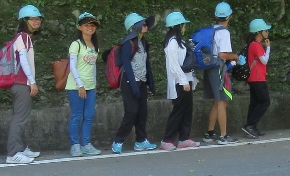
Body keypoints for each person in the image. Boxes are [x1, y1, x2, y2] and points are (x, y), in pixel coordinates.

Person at [112, 13, 157, 153]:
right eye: (143, 24)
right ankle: (118, 141)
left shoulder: (143, 42)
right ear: (134, 27)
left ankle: (141, 140)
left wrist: (151, 83)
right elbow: (126, 65)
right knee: (131, 112)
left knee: (142, 112)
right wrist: (133, 86)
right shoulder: (128, 43)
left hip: (141, 82)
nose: (146, 26)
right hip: (129, 81)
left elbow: (146, 63)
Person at [5, 5, 44, 164]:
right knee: (20, 118)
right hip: (21, 82)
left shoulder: (23, 37)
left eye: (38, 18)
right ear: (24, 21)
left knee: (22, 116)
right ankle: (13, 153)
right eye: (32, 19)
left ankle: (21, 148)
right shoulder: (22, 37)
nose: (37, 21)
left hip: (20, 82)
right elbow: (23, 61)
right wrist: (32, 82)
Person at [161, 12, 200, 151]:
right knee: (178, 110)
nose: (185, 27)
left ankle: (184, 138)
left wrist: (190, 80)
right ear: (179, 25)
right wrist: (183, 81)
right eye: (183, 24)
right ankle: (167, 139)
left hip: (186, 80)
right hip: (179, 82)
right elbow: (174, 65)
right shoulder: (172, 43)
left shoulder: (179, 41)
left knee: (187, 110)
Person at [66, 12, 102, 156]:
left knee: (89, 115)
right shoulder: (76, 44)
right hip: (76, 86)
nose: (90, 28)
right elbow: (72, 66)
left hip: (90, 86)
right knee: (76, 115)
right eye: (87, 25)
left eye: (92, 25)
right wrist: (80, 85)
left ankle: (86, 143)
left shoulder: (94, 45)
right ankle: (75, 145)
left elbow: (93, 67)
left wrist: (93, 84)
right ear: (80, 27)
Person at [203, 2, 239, 145]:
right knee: (222, 101)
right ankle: (223, 136)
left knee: (216, 102)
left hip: (209, 67)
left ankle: (209, 133)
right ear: (229, 16)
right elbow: (223, 54)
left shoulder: (212, 30)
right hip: (218, 68)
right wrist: (235, 56)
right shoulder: (224, 32)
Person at [243, 18, 272, 138]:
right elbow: (264, 60)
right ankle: (250, 125)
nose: (267, 32)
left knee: (255, 103)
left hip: (253, 78)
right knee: (265, 101)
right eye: (265, 30)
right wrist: (268, 47)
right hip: (258, 77)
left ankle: (251, 127)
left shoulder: (253, 44)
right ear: (259, 32)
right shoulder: (256, 45)